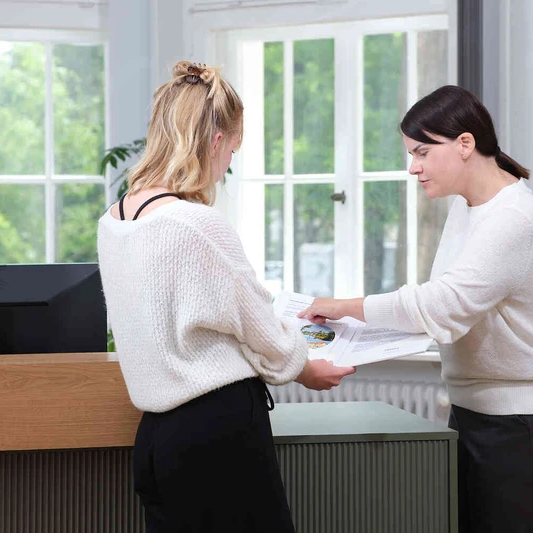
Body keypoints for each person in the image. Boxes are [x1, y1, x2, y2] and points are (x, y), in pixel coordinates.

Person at [298, 85, 533, 533]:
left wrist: (343, 307)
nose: (412, 167)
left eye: (422, 152)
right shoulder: (467, 208)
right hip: (476, 411)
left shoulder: (514, 218)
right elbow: (445, 304)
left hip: (524, 422)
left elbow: (443, 305)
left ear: (465, 144)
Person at [97, 61, 355, 533]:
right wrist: (305, 367)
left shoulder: (113, 222)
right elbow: (261, 330)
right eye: (233, 150)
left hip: (155, 439)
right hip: (217, 432)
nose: (227, 165)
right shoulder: (197, 225)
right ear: (216, 142)